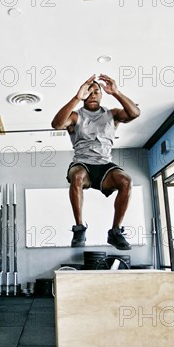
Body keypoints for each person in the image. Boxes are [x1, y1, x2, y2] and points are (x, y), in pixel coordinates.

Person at [51, 74, 141, 250]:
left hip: (105, 166)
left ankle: (115, 232)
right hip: (82, 164)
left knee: (126, 181)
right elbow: (56, 124)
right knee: (76, 177)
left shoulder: (112, 114)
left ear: (101, 95)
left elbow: (135, 113)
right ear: (84, 94)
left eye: (96, 92)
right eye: (89, 92)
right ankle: (79, 229)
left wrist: (116, 92)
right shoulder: (76, 117)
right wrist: (76, 98)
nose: (92, 95)